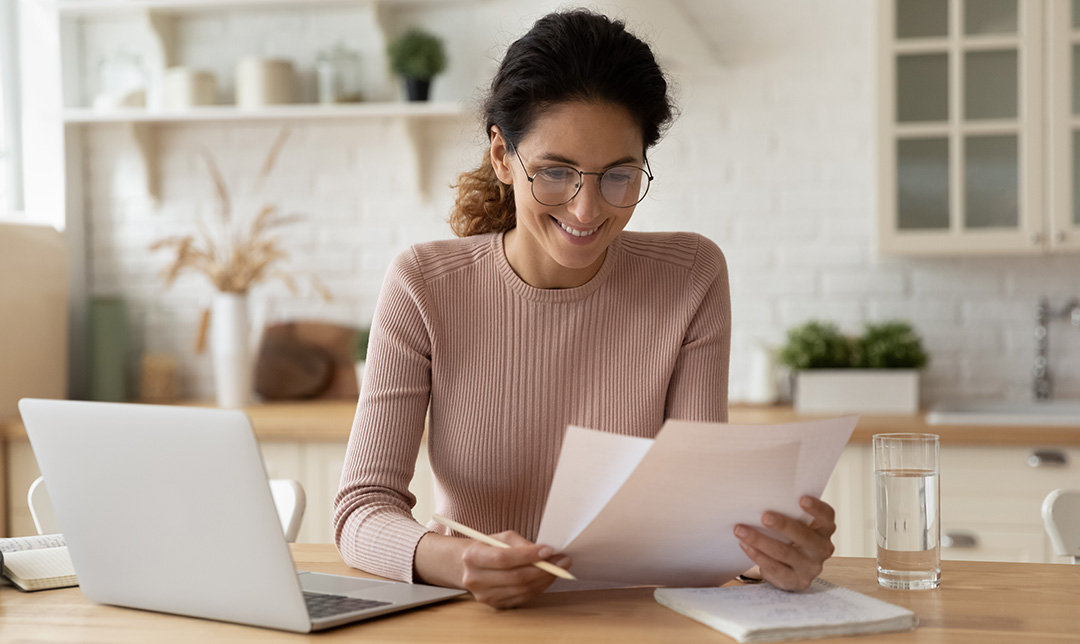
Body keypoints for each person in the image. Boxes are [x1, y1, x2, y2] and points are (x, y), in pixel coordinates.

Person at [334, 9, 836, 609]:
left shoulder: (690, 277)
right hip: (482, 621)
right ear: (502, 156)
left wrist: (768, 558)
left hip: (639, 618)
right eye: (555, 172)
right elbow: (361, 510)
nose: (586, 210)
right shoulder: (424, 284)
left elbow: (697, 513)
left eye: (619, 176)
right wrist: (458, 562)